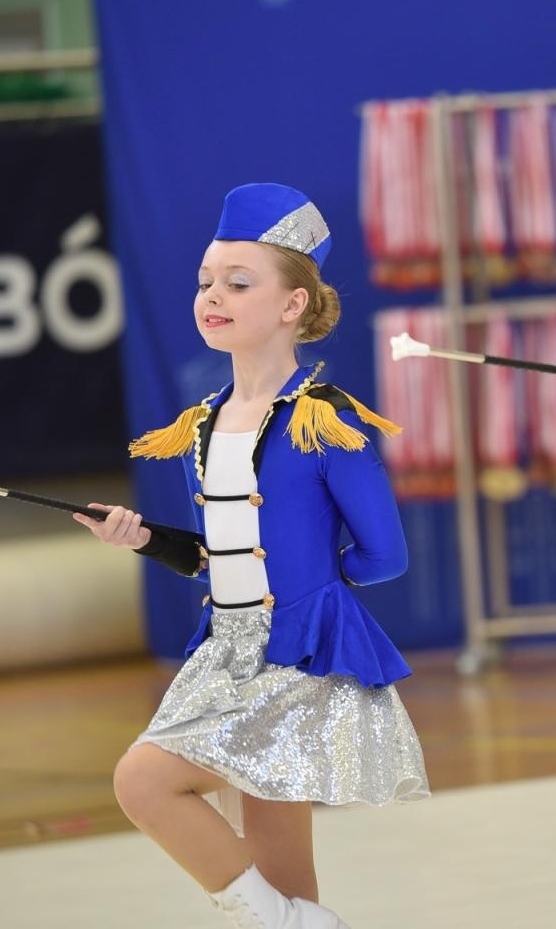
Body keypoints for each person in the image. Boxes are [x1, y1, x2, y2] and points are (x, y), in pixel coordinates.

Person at [76, 183, 429, 929]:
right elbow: (215, 555)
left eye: (239, 283)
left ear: (293, 304)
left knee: (143, 782)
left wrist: (310, 589)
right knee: (284, 881)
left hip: (296, 657)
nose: (213, 296)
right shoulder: (201, 425)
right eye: (205, 281)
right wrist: (144, 538)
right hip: (225, 654)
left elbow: (384, 555)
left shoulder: (324, 420)